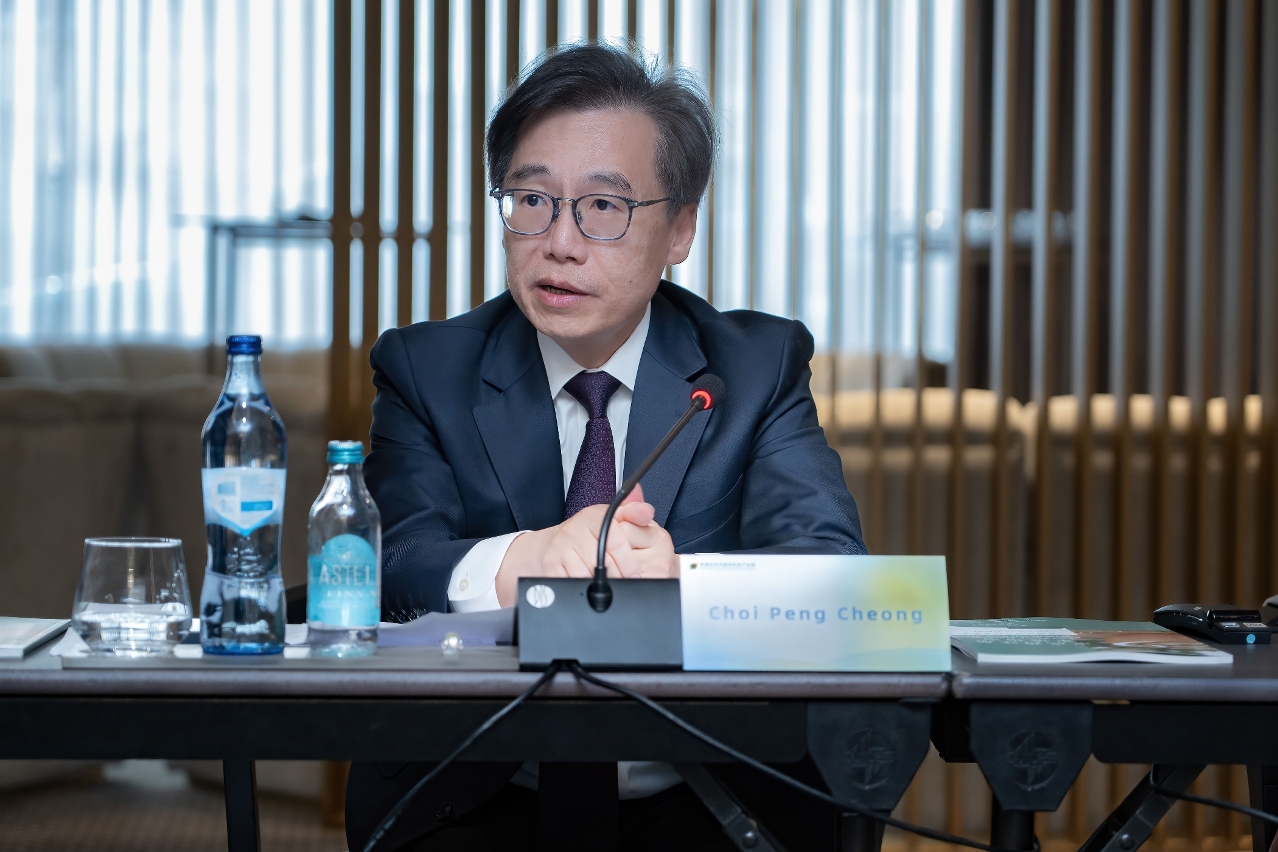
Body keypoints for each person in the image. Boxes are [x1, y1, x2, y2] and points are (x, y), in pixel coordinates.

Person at [346, 41, 866, 852]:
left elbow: (831, 579)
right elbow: (385, 570)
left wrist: (680, 588)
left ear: (680, 228)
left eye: (603, 207)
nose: (560, 241)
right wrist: (523, 560)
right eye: (532, 199)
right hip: (479, 794)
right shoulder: (427, 369)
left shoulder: (753, 369)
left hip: (711, 793)